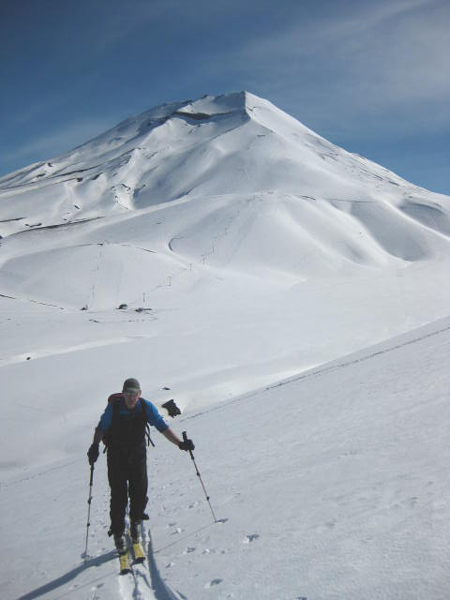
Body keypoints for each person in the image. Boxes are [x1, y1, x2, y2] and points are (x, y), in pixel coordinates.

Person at [87, 377, 194, 552]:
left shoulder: (145, 407)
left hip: (137, 455)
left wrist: (180, 444)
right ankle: (118, 532)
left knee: (139, 491)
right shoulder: (114, 408)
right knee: (118, 495)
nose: (131, 397)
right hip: (116, 457)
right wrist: (94, 447)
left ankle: (135, 522)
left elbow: (162, 427)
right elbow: (101, 427)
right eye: (128, 393)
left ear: (139, 394)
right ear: (122, 394)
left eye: (134, 393)